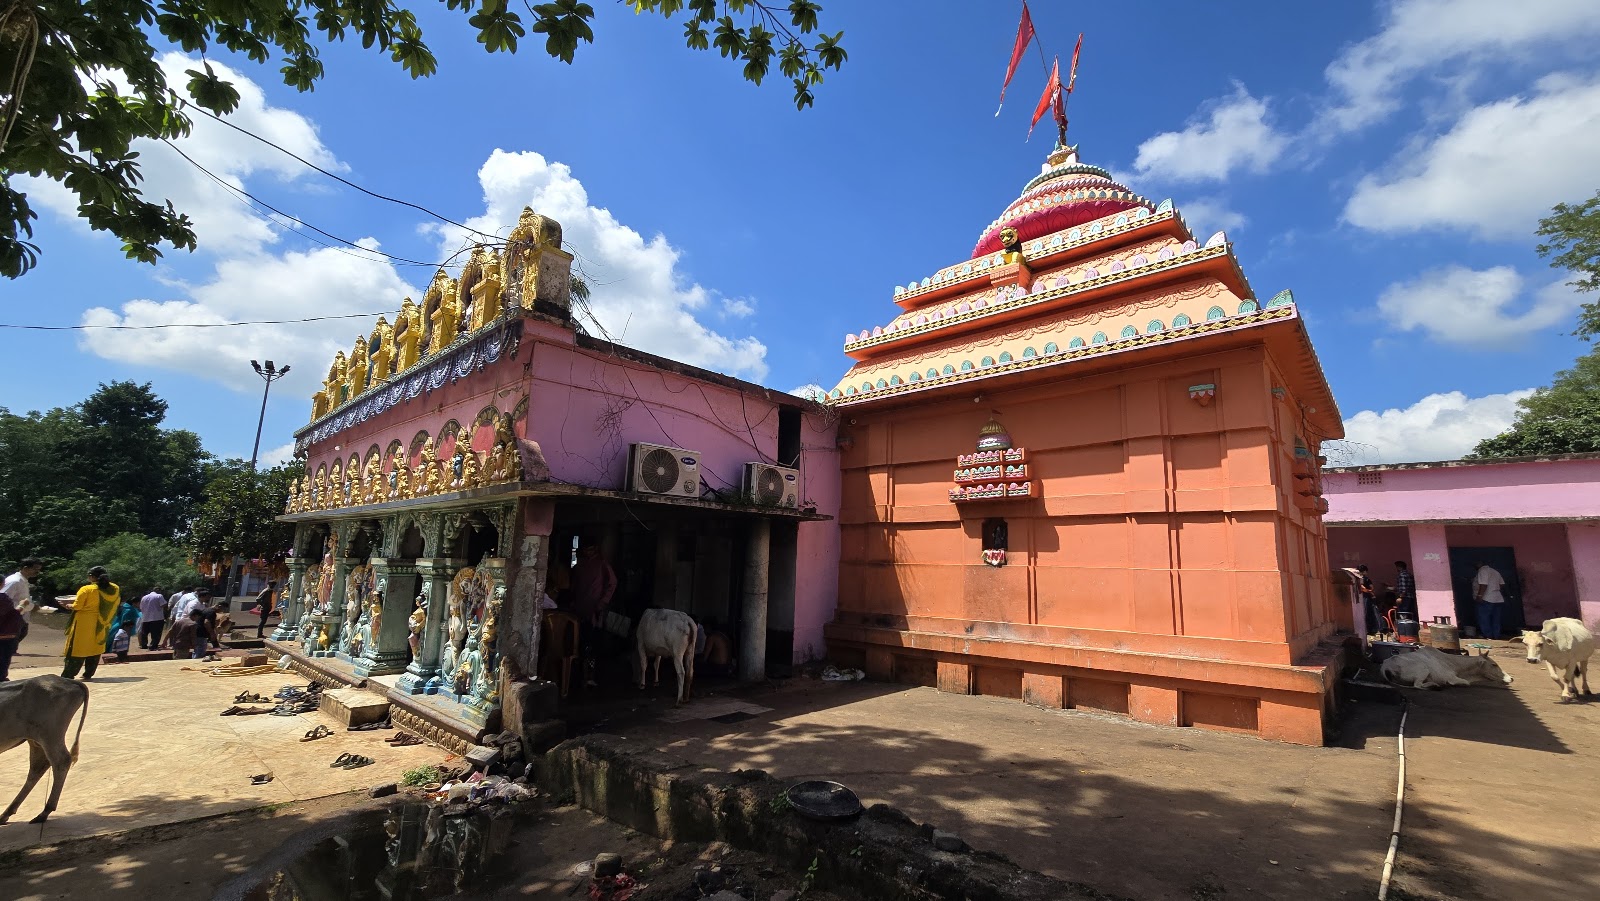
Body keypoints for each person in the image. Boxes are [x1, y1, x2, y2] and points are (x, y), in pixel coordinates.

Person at [569, 541, 617, 687]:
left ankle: (590, 676)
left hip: (595, 612)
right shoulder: (579, 566)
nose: (588, 552)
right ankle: (579, 676)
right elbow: (573, 586)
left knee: (593, 646)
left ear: (595, 549)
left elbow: (613, 583)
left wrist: (602, 602)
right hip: (579, 611)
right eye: (586, 549)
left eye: (591, 549)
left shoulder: (602, 564)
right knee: (579, 644)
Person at [63, 565, 120, 680]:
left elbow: (78, 606)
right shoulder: (114, 588)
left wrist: (68, 605)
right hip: (101, 623)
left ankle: (69, 675)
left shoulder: (87, 589)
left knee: (77, 649)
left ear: (91, 577)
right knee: (95, 648)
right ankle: (88, 674)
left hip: (84, 623)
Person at [1, 557, 43, 681]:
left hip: (18, 619)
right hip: (9, 622)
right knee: (5, 652)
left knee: (8, 651)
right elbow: (4, 601)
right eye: (35, 569)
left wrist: (30, 606)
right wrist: (23, 607)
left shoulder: (22, 581)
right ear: (25, 568)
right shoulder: (15, 581)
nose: (37, 572)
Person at [1473, 560, 1508, 640]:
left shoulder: (1482, 571)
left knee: (1484, 617)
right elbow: (1502, 584)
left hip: (1487, 598)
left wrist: (1479, 595)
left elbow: (1483, 584)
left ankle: (1487, 635)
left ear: (1480, 563)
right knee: (1496, 619)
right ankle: (1496, 635)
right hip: (1498, 598)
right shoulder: (1495, 571)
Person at [138, 585, 167, 650]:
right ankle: (153, 646)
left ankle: (143, 645)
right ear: (158, 591)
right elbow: (163, 604)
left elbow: (141, 608)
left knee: (144, 633)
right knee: (156, 633)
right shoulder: (159, 596)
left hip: (145, 618)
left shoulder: (144, 597)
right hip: (157, 618)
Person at [1355, 565, 1377, 635]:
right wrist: (1370, 592)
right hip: (1366, 597)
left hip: (1362, 597)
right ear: (1364, 571)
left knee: (1365, 613)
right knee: (1368, 613)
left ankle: (1367, 629)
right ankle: (1370, 629)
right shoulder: (1366, 579)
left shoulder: (1358, 579)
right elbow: (1370, 588)